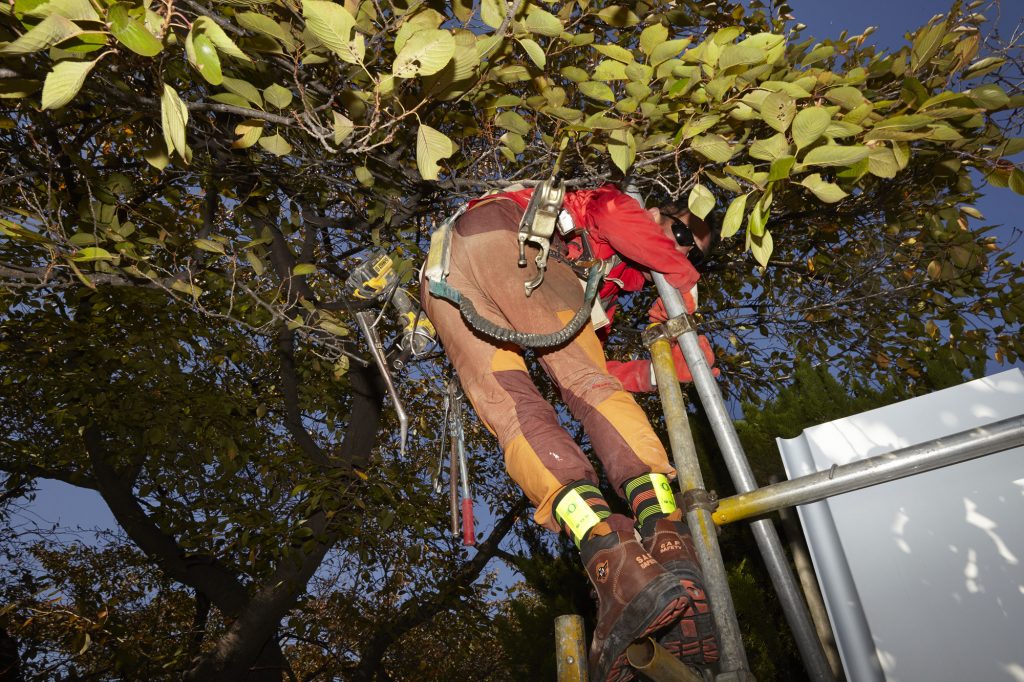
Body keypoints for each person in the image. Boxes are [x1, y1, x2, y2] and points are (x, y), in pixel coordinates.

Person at [421, 183, 719, 681]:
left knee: (513, 412)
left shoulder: (600, 286)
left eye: (694, 251)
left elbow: (587, 367)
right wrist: (683, 281)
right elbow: (616, 217)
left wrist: (649, 372)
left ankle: (609, 554)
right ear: (657, 211)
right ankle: (665, 530)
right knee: (584, 384)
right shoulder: (612, 210)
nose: (681, 247)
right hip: (513, 242)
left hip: (444, 276)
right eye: (682, 231)